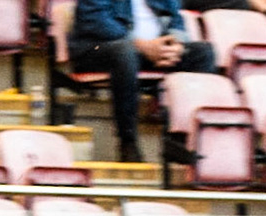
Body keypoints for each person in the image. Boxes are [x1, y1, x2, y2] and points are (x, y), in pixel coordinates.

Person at [69, 0, 217, 163]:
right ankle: (128, 142)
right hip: (100, 48)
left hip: (151, 50)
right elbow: (96, 22)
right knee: (125, 53)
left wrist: (175, 45)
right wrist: (141, 45)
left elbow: (176, 19)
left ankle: (180, 141)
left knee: (203, 52)